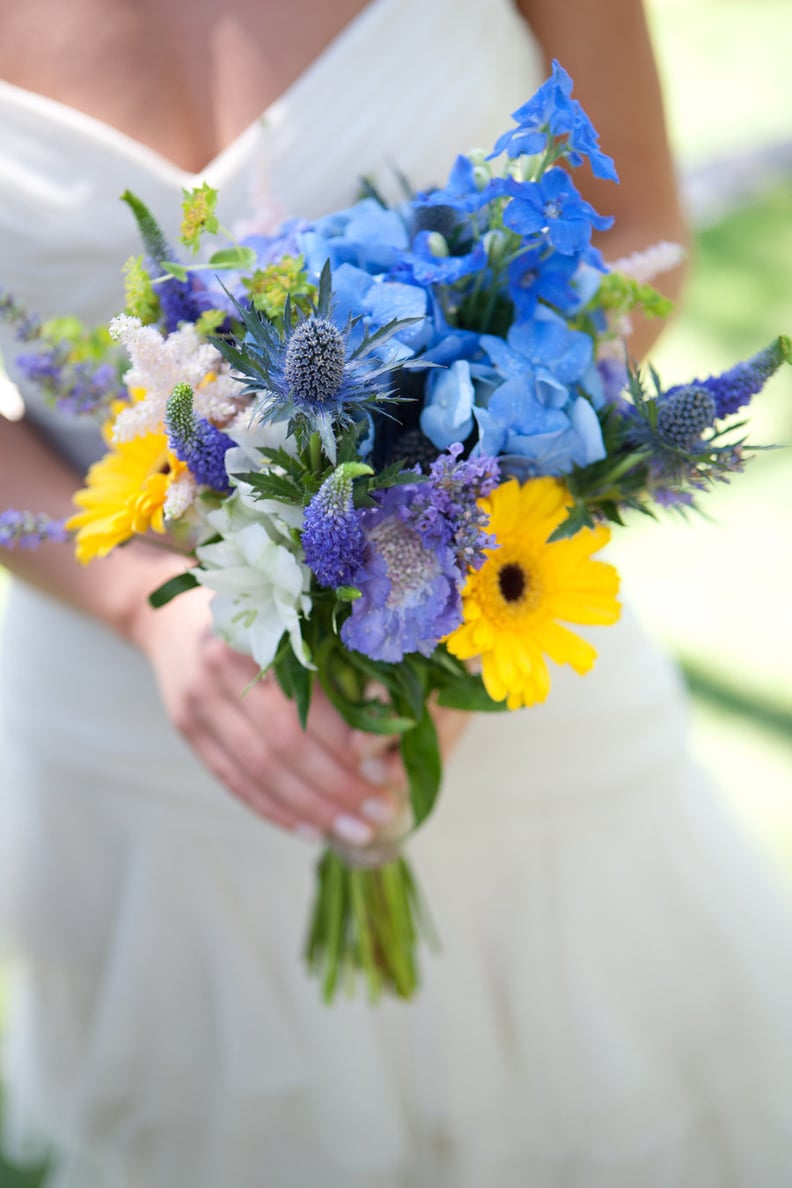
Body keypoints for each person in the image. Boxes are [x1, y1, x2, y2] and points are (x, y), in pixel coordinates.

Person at [1, 0, 792, 1184]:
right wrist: (137, 608)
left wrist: (472, 571)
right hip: (153, 716)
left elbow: (641, 233)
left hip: (508, 662)